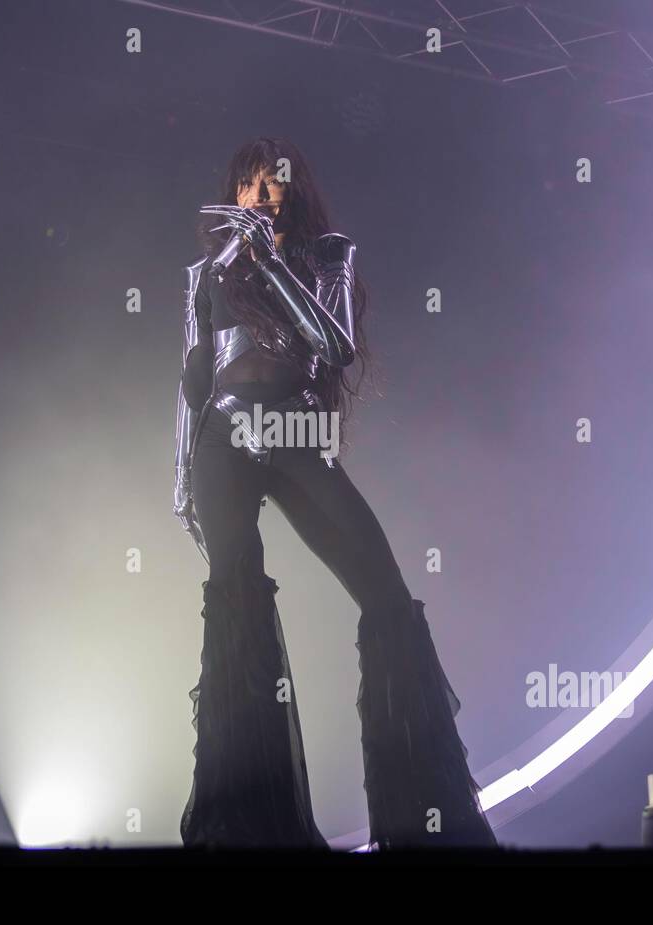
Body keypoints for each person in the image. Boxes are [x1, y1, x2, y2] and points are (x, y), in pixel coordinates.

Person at [173, 136, 496, 850]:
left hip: (292, 430)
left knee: (384, 596)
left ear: (293, 188)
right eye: (249, 184)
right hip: (222, 440)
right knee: (235, 604)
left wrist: (268, 263)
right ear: (234, 192)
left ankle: (426, 821)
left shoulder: (327, 254)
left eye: (274, 183)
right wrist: (178, 480)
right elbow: (192, 379)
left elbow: (335, 343)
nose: (262, 194)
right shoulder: (206, 272)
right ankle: (249, 829)